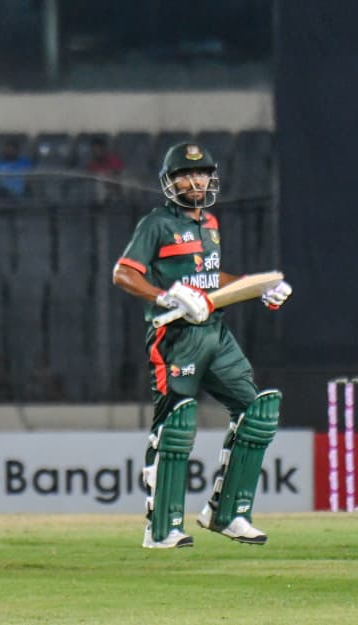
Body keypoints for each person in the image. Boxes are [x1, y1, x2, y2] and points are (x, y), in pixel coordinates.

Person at [111, 142, 292, 549]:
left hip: (215, 330)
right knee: (175, 426)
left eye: (202, 174)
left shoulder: (209, 223)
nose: (195, 180)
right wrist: (164, 296)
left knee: (256, 412)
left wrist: (257, 286)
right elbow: (123, 275)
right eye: (185, 175)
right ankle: (161, 529)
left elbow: (208, 277)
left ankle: (228, 514)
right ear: (169, 181)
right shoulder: (155, 223)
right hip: (174, 334)